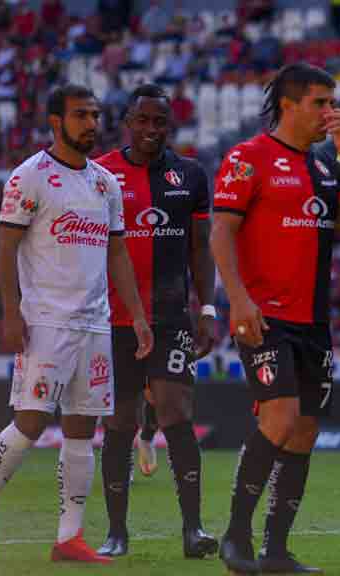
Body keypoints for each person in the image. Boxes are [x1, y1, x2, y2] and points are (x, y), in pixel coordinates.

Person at [0, 84, 154, 564]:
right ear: (56, 122)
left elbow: (116, 251)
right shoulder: (29, 177)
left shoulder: (105, 182)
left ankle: (69, 536)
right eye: (80, 115)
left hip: (96, 323)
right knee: (29, 423)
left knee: (81, 428)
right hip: (45, 320)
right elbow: (5, 248)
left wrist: (137, 315)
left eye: (94, 114)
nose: (91, 123)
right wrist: (11, 311)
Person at [211, 63, 340, 574]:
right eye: (319, 103)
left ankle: (277, 550)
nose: (330, 113)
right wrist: (237, 299)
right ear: (288, 105)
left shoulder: (329, 166)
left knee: (305, 431)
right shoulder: (249, 157)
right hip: (265, 317)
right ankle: (236, 535)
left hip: (315, 323)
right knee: (279, 418)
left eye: (332, 103)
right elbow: (221, 233)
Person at [93, 83, 218, 558]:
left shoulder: (190, 174)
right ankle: (116, 532)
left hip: (171, 317)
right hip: (114, 320)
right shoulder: (101, 173)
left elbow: (199, 247)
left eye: (160, 121)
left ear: (170, 125)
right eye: (142, 120)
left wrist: (206, 309)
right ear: (127, 122)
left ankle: (193, 530)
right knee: (121, 421)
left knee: (176, 414)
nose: (151, 129)